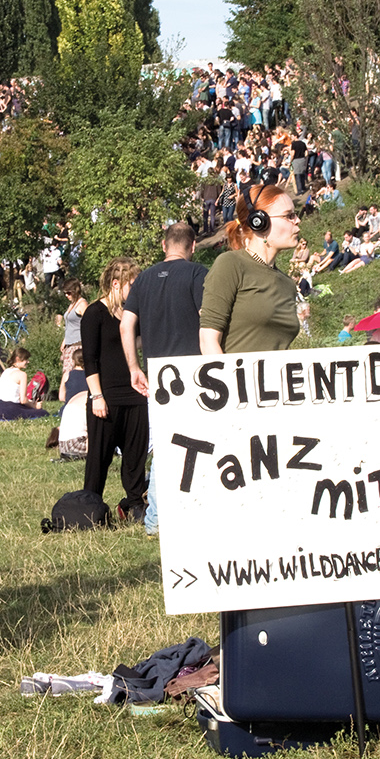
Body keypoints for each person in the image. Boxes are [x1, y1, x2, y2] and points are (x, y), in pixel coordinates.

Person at [121, 221, 208, 536]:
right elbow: (207, 319)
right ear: (193, 246)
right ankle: (190, 513)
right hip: (195, 373)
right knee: (200, 443)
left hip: (157, 374)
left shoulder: (143, 279)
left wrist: (134, 366)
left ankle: (155, 520)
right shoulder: (198, 273)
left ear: (163, 245)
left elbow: (126, 325)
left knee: (164, 448)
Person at [82, 257, 149, 523]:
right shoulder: (94, 313)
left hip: (134, 394)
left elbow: (139, 343)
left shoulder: (133, 316)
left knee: (136, 456)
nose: (136, 292)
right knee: (99, 458)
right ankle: (90, 507)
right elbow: (90, 359)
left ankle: (134, 505)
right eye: (133, 286)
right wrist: (97, 396)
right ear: (116, 283)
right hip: (105, 396)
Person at [199, 184, 302, 354]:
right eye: (288, 216)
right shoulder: (230, 264)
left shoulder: (288, 284)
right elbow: (208, 341)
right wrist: (230, 381)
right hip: (235, 379)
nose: (297, 220)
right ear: (259, 221)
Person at [56, 279, 88, 404]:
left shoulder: (82, 304)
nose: (66, 296)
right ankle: (66, 398)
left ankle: (70, 398)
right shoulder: (72, 304)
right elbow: (70, 325)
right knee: (66, 373)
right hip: (69, 343)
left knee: (71, 373)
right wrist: (64, 340)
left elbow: (88, 324)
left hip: (78, 344)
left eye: (69, 293)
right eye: (65, 293)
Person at [0, 348, 46, 420]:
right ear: (18, 359)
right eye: (26, 359)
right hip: (11, 409)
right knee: (43, 413)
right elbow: (23, 400)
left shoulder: (5, 372)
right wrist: (35, 406)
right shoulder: (22, 374)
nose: (28, 361)